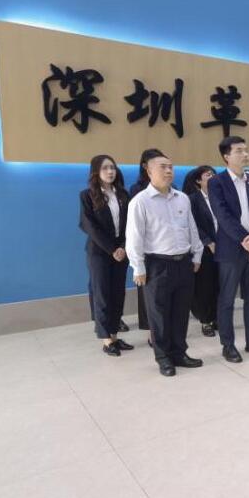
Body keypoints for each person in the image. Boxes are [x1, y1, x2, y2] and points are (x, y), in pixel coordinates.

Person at [126, 152, 204, 377]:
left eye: (170, 166)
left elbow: (191, 228)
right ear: (149, 170)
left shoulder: (182, 198)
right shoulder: (140, 201)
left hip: (184, 262)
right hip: (157, 265)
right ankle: (163, 358)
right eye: (162, 167)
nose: (169, 170)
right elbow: (134, 237)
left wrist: (197, 255)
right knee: (159, 315)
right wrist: (138, 267)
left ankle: (179, 353)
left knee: (181, 312)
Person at [208, 136, 249, 363]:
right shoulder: (216, 182)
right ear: (226, 156)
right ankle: (228, 345)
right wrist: (246, 240)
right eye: (239, 151)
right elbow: (222, 215)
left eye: (246, 150)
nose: (245, 154)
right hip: (231, 250)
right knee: (227, 299)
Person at [80, 155, 131, 357]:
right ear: (95, 172)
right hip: (99, 252)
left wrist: (123, 247)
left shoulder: (123, 194)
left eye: (113, 168)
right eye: (105, 168)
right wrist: (112, 249)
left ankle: (115, 336)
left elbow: (131, 224)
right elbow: (88, 225)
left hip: (122, 251)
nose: (110, 172)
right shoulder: (87, 195)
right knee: (101, 293)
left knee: (118, 293)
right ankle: (106, 339)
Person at [127, 148, 166, 337]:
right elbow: (135, 228)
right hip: (149, 251)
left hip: (169, 250)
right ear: (146, 167)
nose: (166, 170)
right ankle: (152, 331)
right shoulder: (138, 190)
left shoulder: (173, 189)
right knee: (148, 296)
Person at [184, 165, 219, 337]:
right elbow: (193, 225)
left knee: (220, 284)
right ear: (198, 180)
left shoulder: (220, 197)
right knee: (205, 286)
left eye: (213, 174)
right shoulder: (192, 199)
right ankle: (206, 320)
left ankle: (217, 317)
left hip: (223, 246)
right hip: (203, 249)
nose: (212, 177)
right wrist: (208, 242)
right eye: (208, 175)